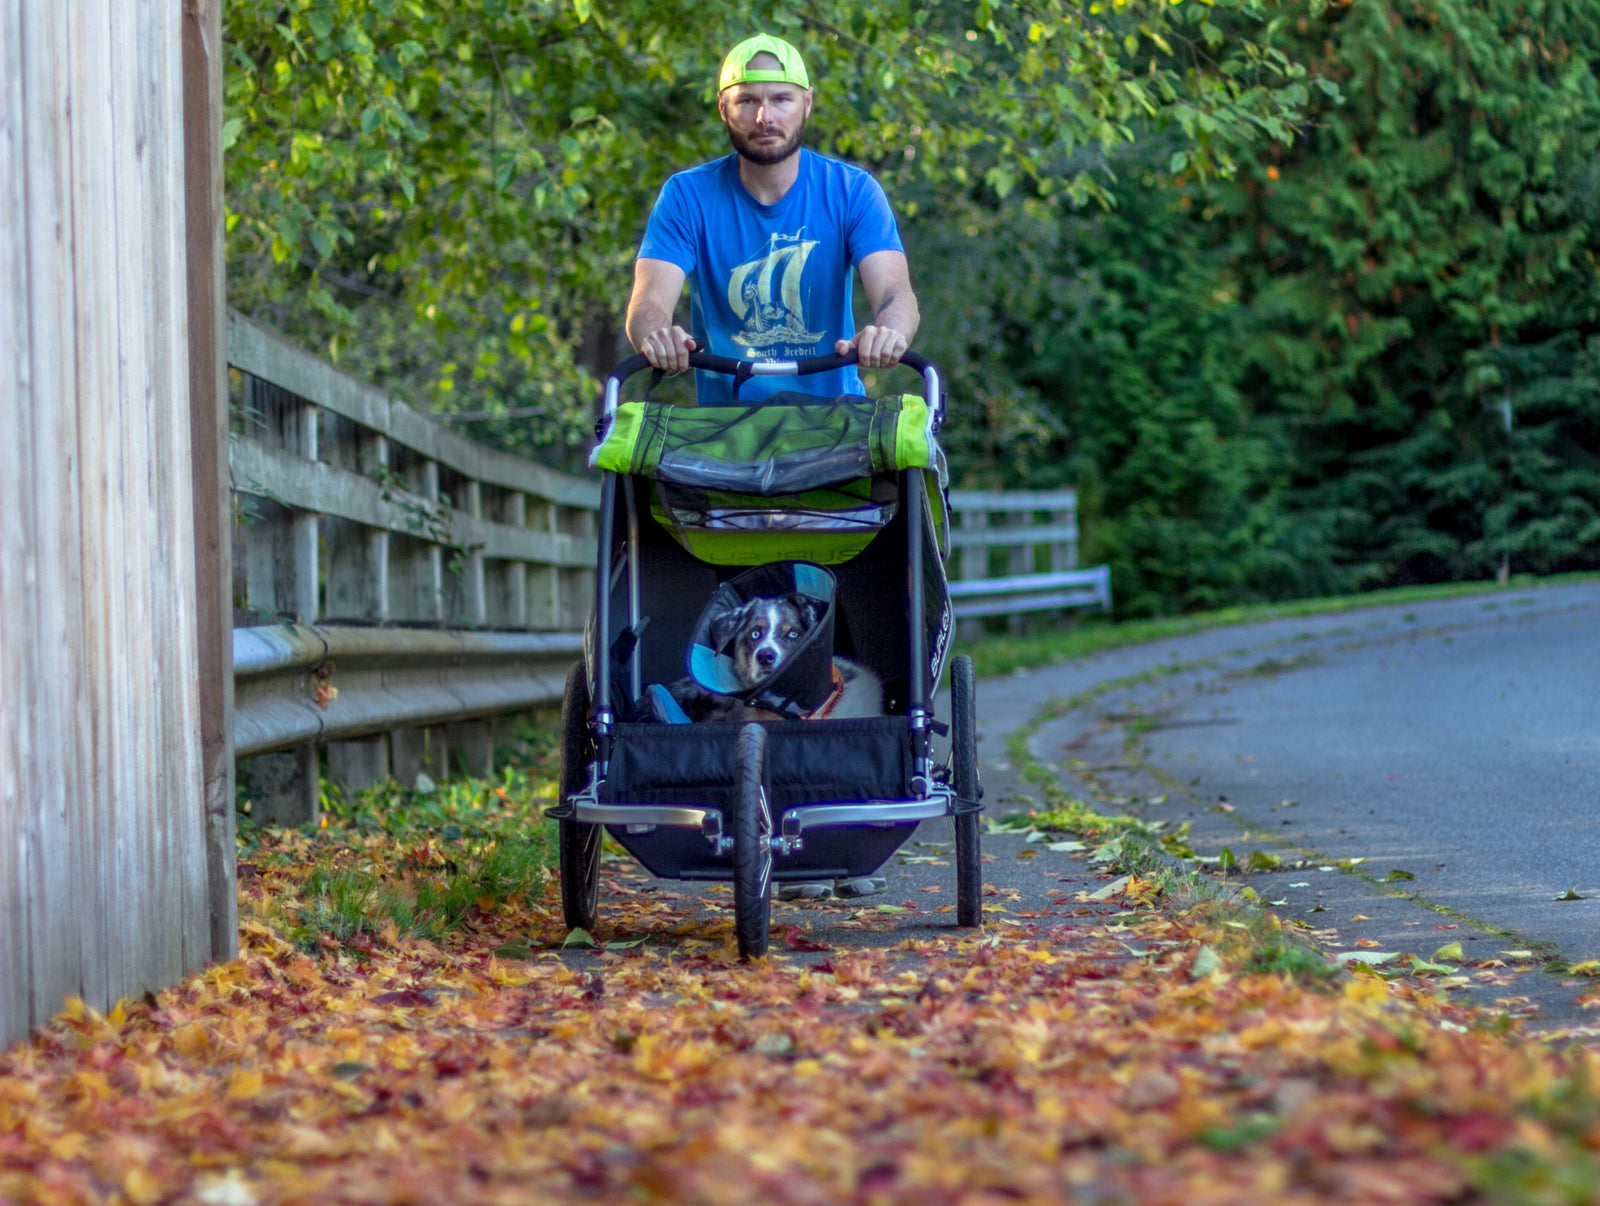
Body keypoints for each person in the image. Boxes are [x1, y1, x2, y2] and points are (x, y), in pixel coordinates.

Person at [625, 33, 920, 404]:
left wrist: (888, 332)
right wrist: (658, 335)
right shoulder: (686, 196)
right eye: (747, 101)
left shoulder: (853, 191)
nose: (765, 117)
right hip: (725, 430)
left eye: (781, 99)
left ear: (807, 103)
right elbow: (647, 303)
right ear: (723, 108)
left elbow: (896, 294)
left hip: (836, 426)